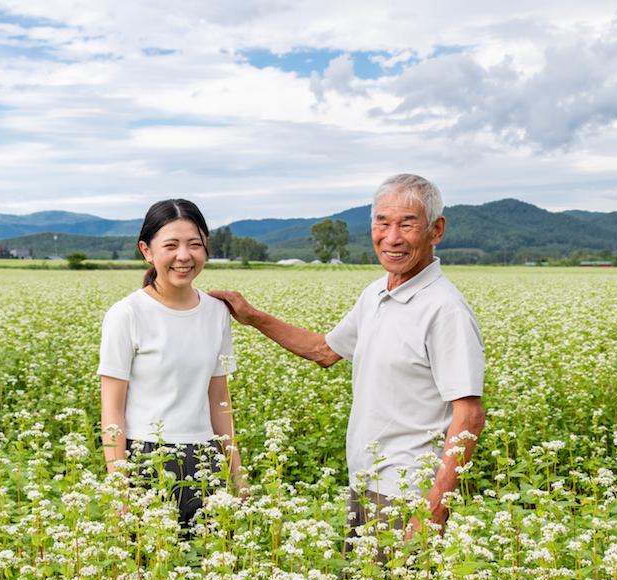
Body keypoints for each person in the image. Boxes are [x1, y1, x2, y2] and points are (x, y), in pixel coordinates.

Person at [210, 174, 485, 540]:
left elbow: (469, 416)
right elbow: (325, 351)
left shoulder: (445, 309)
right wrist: (254, 317)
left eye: (407, 223)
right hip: (366, 482)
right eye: (382, 223)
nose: (392, 237)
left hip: (409, 492)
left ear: (436, 230)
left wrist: (434, 508)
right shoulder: (375, 293)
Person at [98, 199, 247, 527]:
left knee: (212, 568)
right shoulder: (127, 314)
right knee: (150, 570)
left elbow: (219, 401)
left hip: (205, 457)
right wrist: (119, 488)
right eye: (171, 245)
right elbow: (112, 411)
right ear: (147, 250)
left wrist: (238, 476)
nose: (184, 256)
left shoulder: (216, 312)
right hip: (145, 459)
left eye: (195, 244)